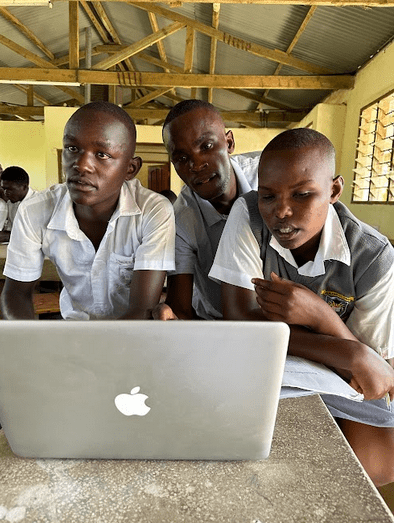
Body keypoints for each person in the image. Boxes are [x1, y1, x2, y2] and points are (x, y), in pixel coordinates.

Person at [209, 127, 394, 487]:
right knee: (258, 462)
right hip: (276, 367)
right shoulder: (248, 215)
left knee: (378, 466)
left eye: (303, 194)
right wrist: (347, 350)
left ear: (334, 191)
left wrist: (320, 316)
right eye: (268, 196)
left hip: (338, 378)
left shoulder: (374, 257)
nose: (281, 211)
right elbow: (239, 318)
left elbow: (373, 374)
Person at [1, 101, 175, 320]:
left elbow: (142, 309)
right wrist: (36, 347)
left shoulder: (153, 211)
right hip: (73, 329)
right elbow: (16, 294)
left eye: (102, 154)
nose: (81, 165)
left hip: (132, 336)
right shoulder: (35, 210)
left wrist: (98, 353)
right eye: (72, 149)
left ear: (130, 169)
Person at [155, 99, 260, 320]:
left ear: (229, 142)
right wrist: (170, 317)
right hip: (217, 322)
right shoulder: (180, 220)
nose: (196, 164)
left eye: (206, 146)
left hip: (281, 322)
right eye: (182, 158)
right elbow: (181, 308)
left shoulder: (270, 177)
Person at [0, 165, 36, 243]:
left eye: (10, 189)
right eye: (4, 189)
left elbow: (37, 235)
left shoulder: (38, 203)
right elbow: (11, 229)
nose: (6, 193)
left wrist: (8, 236)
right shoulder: (11, 203)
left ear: (24, 187)